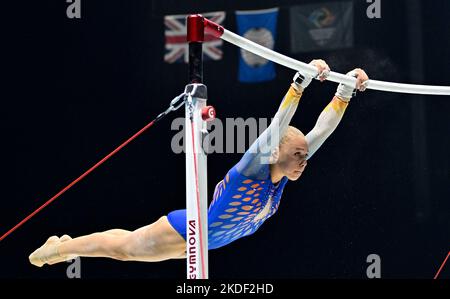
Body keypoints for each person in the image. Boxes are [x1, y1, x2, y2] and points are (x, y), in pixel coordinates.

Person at [29, 60, 369, 267]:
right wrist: (300, 82)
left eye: (304, 155)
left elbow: (322, 129)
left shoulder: (286, 171)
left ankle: (62, 246)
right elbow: (277, 126)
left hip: (208, 242)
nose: (303, 160)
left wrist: (346, 87)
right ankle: (58, 249)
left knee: (127, 249)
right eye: (297, 154)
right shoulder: (253, 167)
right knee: (124, 251)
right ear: (273, 153)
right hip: (190, 229)